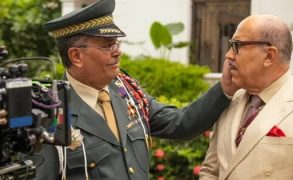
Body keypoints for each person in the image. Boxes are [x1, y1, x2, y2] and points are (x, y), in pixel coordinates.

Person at [30, 0, 238, 179]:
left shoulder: (126, 92)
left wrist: (225, 87)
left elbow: (180, 124)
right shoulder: (49, 113)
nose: (118, 52)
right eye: (107, 45)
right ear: (76, 56)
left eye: (117, 43)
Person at [199, 14, 293, 179]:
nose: (229, 55)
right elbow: (211, 171)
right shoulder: (231, 100)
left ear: (269, 55)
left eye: (237, 46)